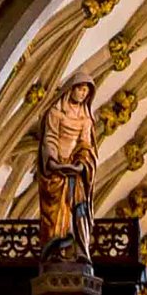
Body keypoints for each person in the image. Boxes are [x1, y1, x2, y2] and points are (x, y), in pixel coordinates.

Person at [35, 76, 100, 264]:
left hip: (75, 170)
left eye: (86, 91)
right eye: (80, 89)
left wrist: (80, 164)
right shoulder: (55, 113)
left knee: (78, 207)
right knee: (56, 212)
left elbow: (86, 145)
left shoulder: (86, 118)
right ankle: (56, 248)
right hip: (56, 168)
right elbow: (50, 138)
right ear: (70, 89)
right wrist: (54, 162)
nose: (82, 93)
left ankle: (80, 249)